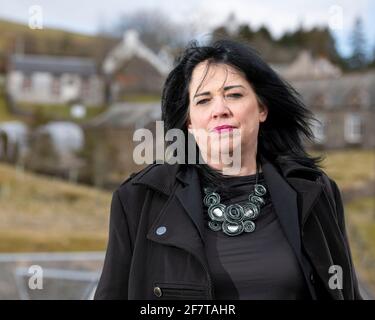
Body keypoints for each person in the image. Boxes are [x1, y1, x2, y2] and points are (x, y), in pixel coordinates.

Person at [94, 39, 362, 300]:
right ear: (189, 121)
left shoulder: (315, 192)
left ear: (262, 108)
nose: (219, 110)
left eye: (233, 94)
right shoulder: (139, 200)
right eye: (203, 100)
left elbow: (345, 291)